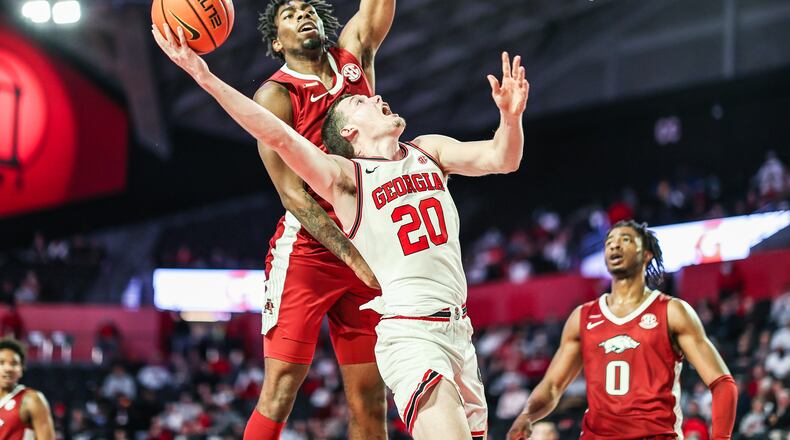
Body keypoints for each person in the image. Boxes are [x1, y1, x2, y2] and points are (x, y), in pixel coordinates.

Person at [152, 22, 528, 439]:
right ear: (349, 132)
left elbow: (502, 159)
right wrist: (203, 76)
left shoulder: (430, 150)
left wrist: (510, 118)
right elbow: (275, 133)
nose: (378, 97)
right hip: (412, 335)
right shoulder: (346, 178)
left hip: (460, 331)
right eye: (364, 103)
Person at [201, 0, 395, 438]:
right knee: (281, 388)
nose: (302, 14)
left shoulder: (354, 55)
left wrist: (365, 255)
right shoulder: (275, 95)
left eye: (307, 8)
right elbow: (293, 196)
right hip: (310, 250)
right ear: (276, 40)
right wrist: (355, 260)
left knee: (369, 399)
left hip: (367, 238)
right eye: (288, 14)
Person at [506, 220, 738, 439]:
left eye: (626, 239)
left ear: (646, 254)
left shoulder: (672, 311)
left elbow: (722, 383)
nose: (615, 244)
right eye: (609, 242)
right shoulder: (583, 317)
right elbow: (552, 386)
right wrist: (527, 415)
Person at [0, 338, 55, 440]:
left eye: (14, 363)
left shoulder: (32, 399)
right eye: (1, 363)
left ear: (21, 369)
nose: (8, 369)